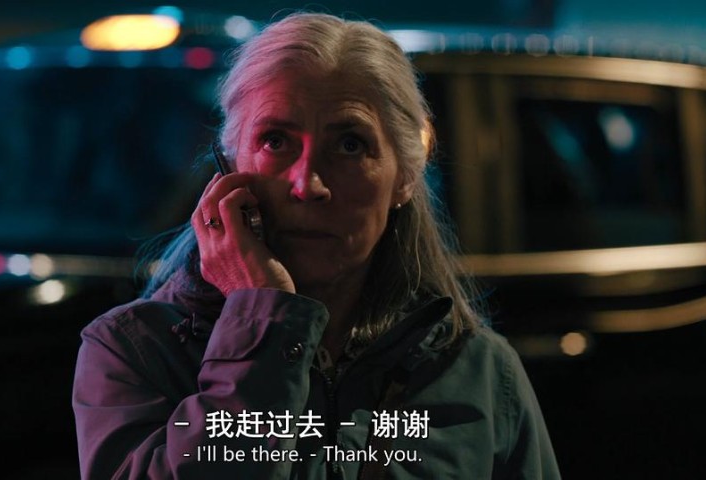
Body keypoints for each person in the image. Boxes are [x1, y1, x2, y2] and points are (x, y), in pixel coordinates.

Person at [73, 12, 560, 480]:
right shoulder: (136, 353)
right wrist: (262, 320)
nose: (308, 184)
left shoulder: (480, 371)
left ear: (406, 178)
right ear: (230, 168)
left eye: (350, 145)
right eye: (276, 141)